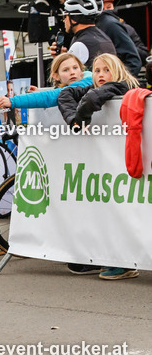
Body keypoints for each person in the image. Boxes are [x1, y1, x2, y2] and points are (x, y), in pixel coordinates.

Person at [58, 53, 140, 281]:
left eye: (106, 70)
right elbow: (66, 94)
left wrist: (80, 119)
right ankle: (120, 260)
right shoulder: (95, 88)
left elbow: (93, 98)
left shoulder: (122, 86)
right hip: (110, 167)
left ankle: (128, 262)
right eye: (97, 70)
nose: (101, 75)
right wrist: (73, 118)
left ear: (117, 70)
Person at [55, 0, 139, 74]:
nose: (64, 20)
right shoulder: (88, 31)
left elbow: (133, 60)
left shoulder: (109, 25)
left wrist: (121, 83)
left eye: (66, 14)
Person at [0, 52, 92, 114]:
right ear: (56, 76)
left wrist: (12, 101)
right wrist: (40, 91)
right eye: (66, 70)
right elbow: (57, 92)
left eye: (75, 68)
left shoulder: (89, 79)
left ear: (81, 69)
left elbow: (50, 96)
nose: (72, 72)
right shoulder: (71, 87)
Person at [97, 0, 147, 71]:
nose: (106, 11)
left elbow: (144, 54)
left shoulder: (127, 28)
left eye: (109, 7)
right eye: (102, 9)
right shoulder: (96, 31)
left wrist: (126, 44)